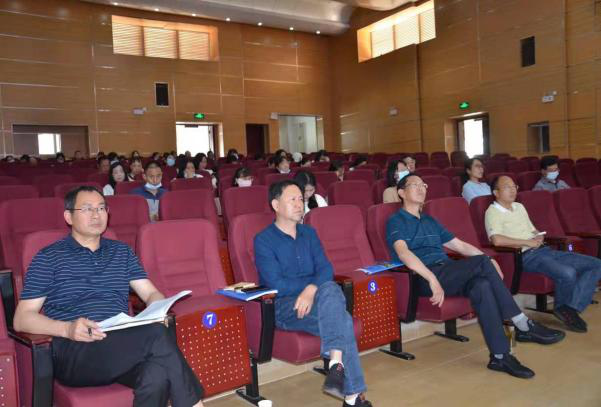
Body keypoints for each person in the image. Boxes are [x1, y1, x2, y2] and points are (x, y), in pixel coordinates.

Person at [13, 186, 204, 406]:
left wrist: (157, 309)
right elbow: (22, 318)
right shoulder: (48, 258)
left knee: (157, 374)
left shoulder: (121, 252)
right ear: (68, 217)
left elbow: (151, 293)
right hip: (76, 350)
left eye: (101, 208)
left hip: (121, 343)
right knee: (156, 334)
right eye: (87, 209)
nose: (96, 214)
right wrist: (67, 329)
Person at [387, 174, 564, 379]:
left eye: (423, 184)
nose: (421, 188)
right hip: (423, 277)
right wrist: (432, 279)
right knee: (482, 263)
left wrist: (489, 260)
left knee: (481, 286)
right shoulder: (396, 221)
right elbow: (404, 254)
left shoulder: (430, 220)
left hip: (447, 271)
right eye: (415, 185)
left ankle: (500, 356)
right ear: (401, 192)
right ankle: (521, 322)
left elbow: (459, 245)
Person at [255, 181, 372, 407]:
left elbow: (326, 269)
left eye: (301, 199)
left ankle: (341, 374)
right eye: (293, 199)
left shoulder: (309, 233)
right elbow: (276, 284)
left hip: (318, 300)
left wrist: (310, 290)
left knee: (331, 289)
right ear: (276, 205)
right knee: (342, 319)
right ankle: (348, 388)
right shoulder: (263, 240)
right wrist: (310, 287)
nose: (299, 204)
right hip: (284, 306)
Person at [486, 175, 600, 332]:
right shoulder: (492, 212)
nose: (512, 190)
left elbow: (532, 230)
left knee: (596, 264)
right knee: (568, 273)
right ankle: (566, 310)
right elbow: (497, 240)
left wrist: (538, 235)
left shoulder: (519, 207)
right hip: (525, 256)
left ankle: (570, 308)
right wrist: (528, 242)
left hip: (544, 250)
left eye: (514, 187)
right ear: (496, 192)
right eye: (507, 187)